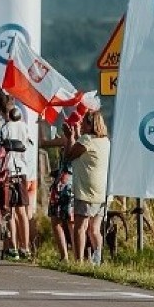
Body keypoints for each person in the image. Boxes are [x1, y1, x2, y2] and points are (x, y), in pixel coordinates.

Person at [63, 110, 110, 264]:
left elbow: (69, 156)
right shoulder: (105, 141)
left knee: (80, 227)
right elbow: (82, 152)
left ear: (91, 124)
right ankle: (97, 261)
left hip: (86, 192)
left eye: (84, 122)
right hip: (102, 192)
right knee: (95, 229)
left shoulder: (86, 140)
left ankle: (79, 261)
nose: (81, 124)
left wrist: (70, 137)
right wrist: (77, 135)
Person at [1, 107, 32, 260]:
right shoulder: (25, 127)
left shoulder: (5, 128)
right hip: (22, 170)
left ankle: (13, 247)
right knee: (22, 212)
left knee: (10, 212)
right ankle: (25, 247)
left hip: (8, 170)